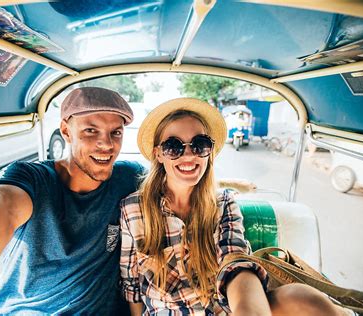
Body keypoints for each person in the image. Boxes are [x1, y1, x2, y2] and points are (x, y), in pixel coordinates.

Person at [0, 87, 145, 315]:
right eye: (90, 131)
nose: (106, 144)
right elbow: (1, 209)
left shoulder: (127, 177)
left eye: (115, 133)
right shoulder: (32, 179)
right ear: (66, 131)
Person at [120, 98, 345, 315]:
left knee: (305, 300)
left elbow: (235, 260)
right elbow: (131, 284)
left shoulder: (223, 203)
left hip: (223, 308)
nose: (188, 155)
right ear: (158, 154)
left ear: (209, 151)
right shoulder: (133, 209)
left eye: (200, 144)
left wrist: (248, 309)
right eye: (173, 147)